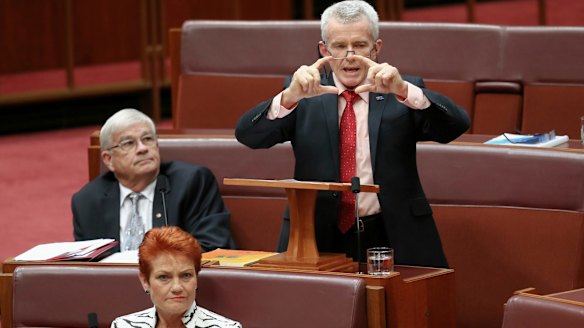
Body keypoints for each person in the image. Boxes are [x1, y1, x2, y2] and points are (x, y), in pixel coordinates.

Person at [235, 0, 470, 268]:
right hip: (317, 235)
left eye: (359, 46)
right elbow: (248, 135)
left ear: (376, 48)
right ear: (324, 49)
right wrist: (289, 98)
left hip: (392, 232)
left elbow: (456, 126)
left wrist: (404, 90)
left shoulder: (400, 90)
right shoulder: (303, 93)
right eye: (339, 46)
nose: (350, 56)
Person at [72, 108, 236, 252]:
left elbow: (213, 246)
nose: (142, 148)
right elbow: (85, 264)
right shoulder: (87, 202)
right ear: (109, 160)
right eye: (129, 143)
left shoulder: (192, 182)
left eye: (148, 139)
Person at [110, 226, 242, 327]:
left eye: (186, 275)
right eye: (164, 277)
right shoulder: (124, 325)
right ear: (145, 281)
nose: (177, 287)